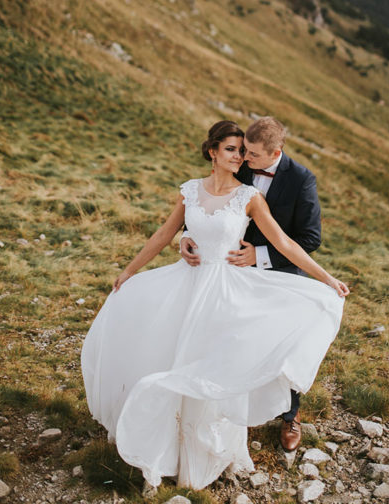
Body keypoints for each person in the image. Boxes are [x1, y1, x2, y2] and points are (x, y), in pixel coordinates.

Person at [80, 120, 349, 491]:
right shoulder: (190, 190)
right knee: (172, 355)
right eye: (232, 150)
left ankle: (210, 446)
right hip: (186, 284)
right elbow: (164, 232)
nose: (240, 157)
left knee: (215, 363)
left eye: (244, 151)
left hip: (225, 288)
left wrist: (327, 279)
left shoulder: (250, 195)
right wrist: (129, 270)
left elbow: (288, 243)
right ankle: (162, 443)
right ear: (213, 151)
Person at [178, 116, 321, 451]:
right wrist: (188, 234)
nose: (244, 159)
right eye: (242, 151)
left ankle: (290, 415)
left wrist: (260, 255)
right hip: (228, 270)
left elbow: (309, 238)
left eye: (252, 154)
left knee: (284, 343)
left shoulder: (301, 180)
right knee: (226, 339)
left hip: (277, 270)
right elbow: (212, 204)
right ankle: (222, 405)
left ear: (276, 151)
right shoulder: (239, 161)